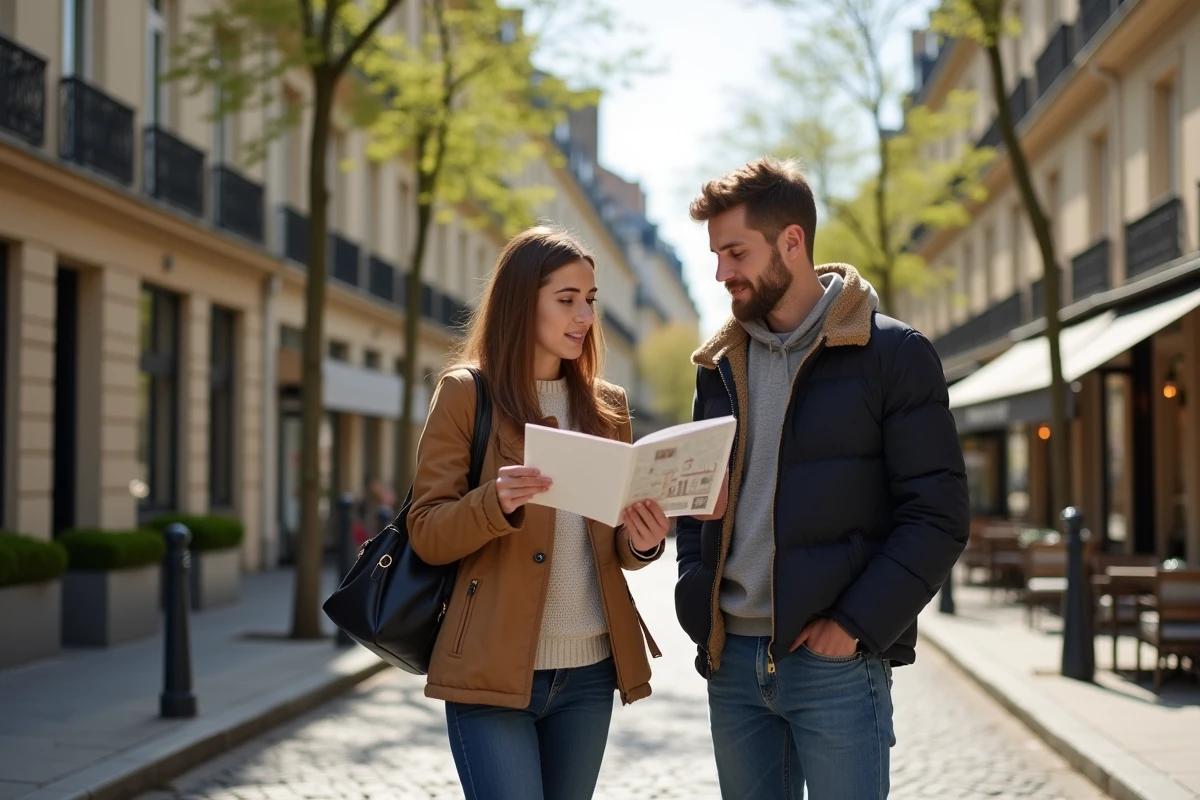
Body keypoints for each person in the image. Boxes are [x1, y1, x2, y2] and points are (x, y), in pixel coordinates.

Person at [674, 157, 969, 799]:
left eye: (734, 252)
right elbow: (694, 511)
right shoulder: (717, 368)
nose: (721, 272)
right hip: (733, 665)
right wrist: (700, 598)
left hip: (835, 665)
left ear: (792, 241)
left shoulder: (893, 355)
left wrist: (855, 626)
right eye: (716, 255)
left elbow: (938, 515)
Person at [408, 226, 669, 800]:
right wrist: (492, 503)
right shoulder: (465, 395)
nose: (584, 316)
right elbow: (426, 532)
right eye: (567, 299)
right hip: (492, 675)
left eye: (591, 300)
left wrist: (644, 541)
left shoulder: (608, 409)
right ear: (522, 302)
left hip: (590, 673)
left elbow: (615, 544)